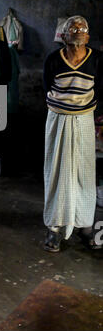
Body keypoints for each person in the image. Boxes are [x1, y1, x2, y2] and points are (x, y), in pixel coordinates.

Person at [43, 15, 103, 252]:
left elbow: (101, 90)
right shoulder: (52, 60)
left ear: (88, 36)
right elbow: (48, 88)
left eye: (82, 29)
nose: (78, 32)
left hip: (85, 121)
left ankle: (85, 226)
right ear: (63, 36)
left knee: (84, 173)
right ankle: (55, 228)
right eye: (73, 29)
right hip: (58, 121)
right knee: (57, 172)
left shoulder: (97, 60)